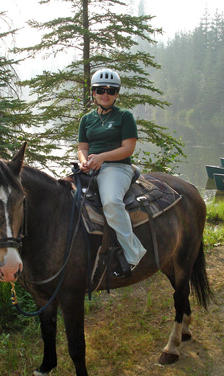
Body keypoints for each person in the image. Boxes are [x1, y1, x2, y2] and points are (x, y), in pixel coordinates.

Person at [77, 68, 147, 274]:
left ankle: (134, 253)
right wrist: (83, 162)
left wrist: (102, 157)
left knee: (111, 202)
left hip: (117, 167)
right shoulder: (86, 119)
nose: (105, 94)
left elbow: (128, 148)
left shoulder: (124, 116)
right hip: (91, 167)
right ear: (93, 93)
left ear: (117, 94)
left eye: (110, 90)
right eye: (100, 90)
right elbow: (82, 148)